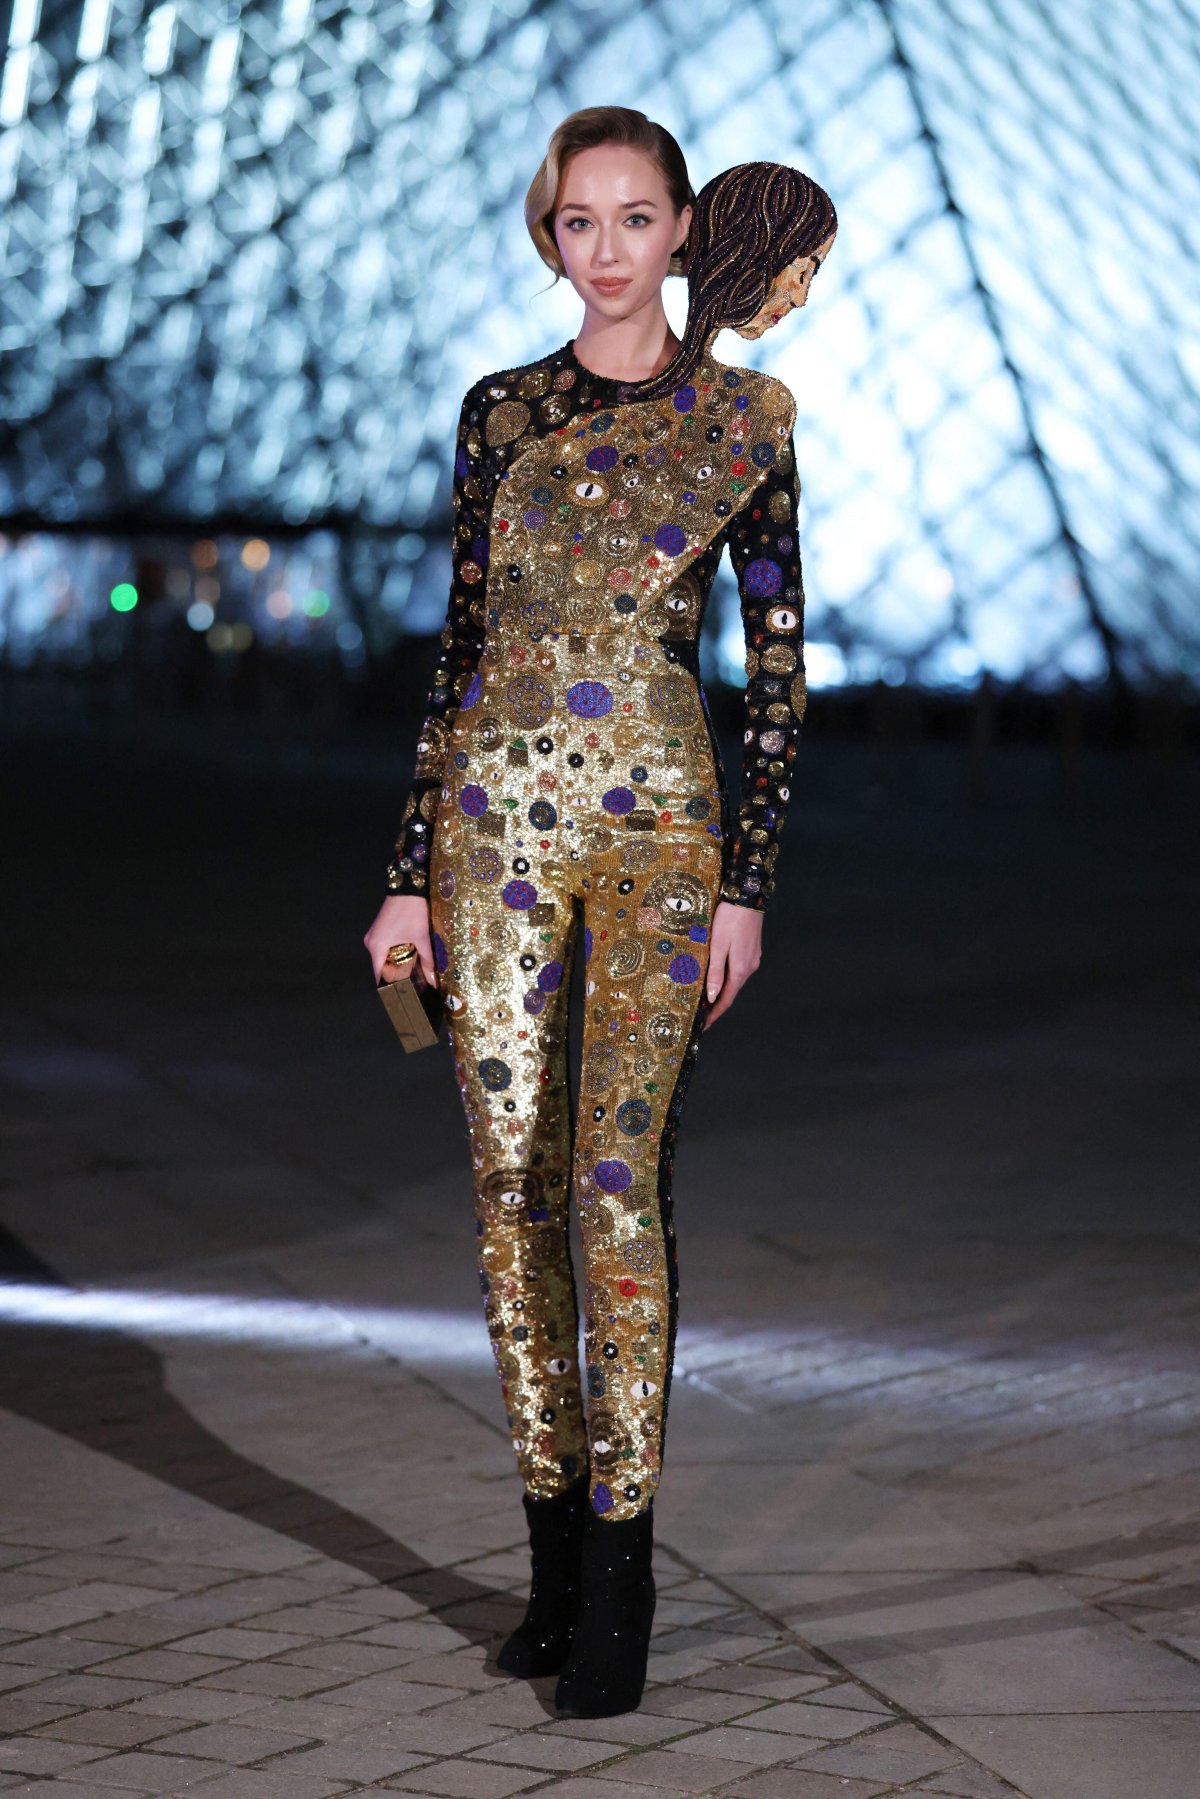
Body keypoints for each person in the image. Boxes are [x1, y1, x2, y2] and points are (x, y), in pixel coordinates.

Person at [364, 111, 837, 1717]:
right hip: (490, 834)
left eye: (641, 217)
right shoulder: (503, 415)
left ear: (688, 228)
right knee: (512, 1197)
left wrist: (748, 886)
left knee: (615, 1188)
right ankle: (551, 1565)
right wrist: (398, 874)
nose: (612, 246)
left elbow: (775, 674)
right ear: (550, 237)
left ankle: (625, 1577)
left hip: (662, 843)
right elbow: (458, 654)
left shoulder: (748, 420)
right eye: (583, 220)